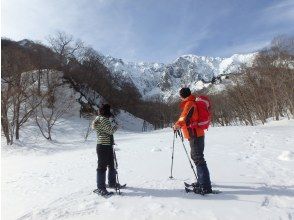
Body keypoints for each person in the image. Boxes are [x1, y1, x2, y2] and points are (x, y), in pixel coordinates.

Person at [173, 88, 212, 194]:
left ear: (182, 95)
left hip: (194, 134)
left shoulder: (189, 103)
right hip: (196, 133)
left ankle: (205, 186)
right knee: (196, 156)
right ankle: (202, 181)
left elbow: (183, 117)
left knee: (198, 158)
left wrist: (177, 125)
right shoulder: (192, 101)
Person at [92, 104, 119, 196]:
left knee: (110, 164)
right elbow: (111, 131)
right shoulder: (104, 120)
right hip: (104, 146)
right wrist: (116, 126)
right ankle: (101, 188)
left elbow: (99, 129)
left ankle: (110, 183)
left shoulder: (98, 119)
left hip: (103, 145)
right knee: (103, 166)